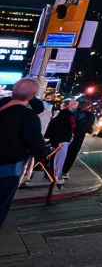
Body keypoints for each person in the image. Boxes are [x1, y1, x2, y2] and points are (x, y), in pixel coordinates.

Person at [0, 79, 52, 229]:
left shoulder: (3, 106)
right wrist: (44, 157)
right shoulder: (28, 116)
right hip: (8, 168)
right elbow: (35, 144)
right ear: (33, 95)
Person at [44, 100, 76, 185]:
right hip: (63, 140)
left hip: (56, 140)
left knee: (55, 157)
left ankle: (54, 174)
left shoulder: (58, 114)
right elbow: (70, 127)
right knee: (60, 158)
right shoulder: (67, 115)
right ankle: (56, 176)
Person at [61, 100, 93, 178]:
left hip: (67, 136)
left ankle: (60, 170)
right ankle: (64, 171)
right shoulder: (89, 115)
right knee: (71, 154)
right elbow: (89, 127)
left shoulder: (70, 113)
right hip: (78, 137)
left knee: (63, 153)